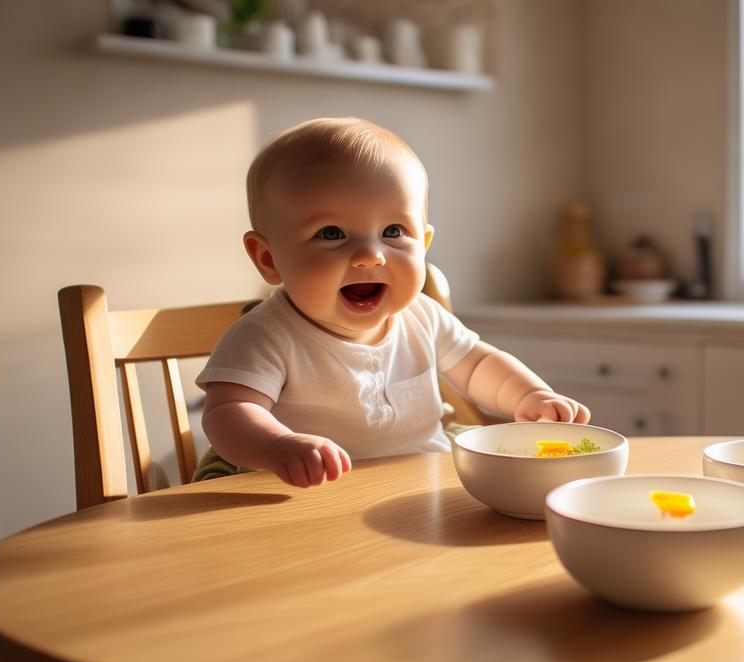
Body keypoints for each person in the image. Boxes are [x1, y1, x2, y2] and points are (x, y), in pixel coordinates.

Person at [196, 117, 589, 487]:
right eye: (331, 233)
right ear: (268, 258)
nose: (371, 255)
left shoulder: (422, 315)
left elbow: (479, 365)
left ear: (424, 245)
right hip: (302, 493)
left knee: (514, 479)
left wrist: (530, 396)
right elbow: (228, 412)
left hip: (414, 482)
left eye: (393, 231)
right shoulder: (267, 335)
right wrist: (276, 446)